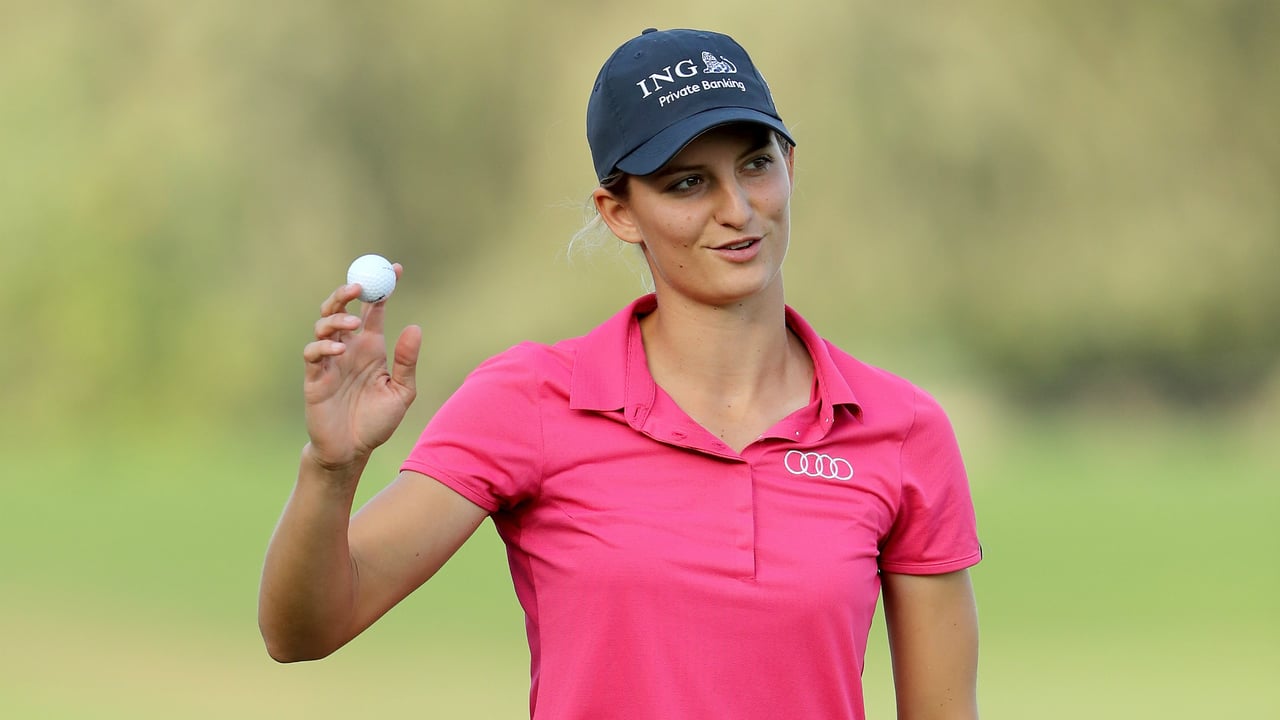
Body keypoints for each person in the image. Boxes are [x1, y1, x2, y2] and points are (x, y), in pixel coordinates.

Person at [259, 27, 982, 720]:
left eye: (755, 164)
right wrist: (332, 468)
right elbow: (302, 633)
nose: (737, 210)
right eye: (687, 183)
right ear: (619, 212)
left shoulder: (902, 430)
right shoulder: (530, 399)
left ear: (789, 165)